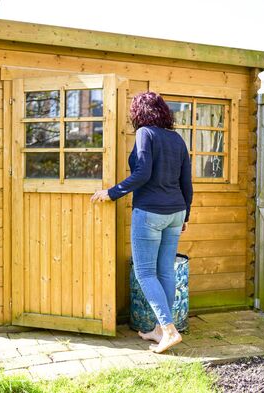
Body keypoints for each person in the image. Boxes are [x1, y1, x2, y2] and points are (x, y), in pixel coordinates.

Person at [90, 91, 193, 353]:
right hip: (175, 212)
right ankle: (160, 330)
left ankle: (169, 331)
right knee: (165, 272)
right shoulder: (177, 139)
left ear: (139, 113)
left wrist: (111, 192)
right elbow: (186, 184)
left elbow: (142, 172)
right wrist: (186, 215)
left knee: (146, 273)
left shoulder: (145, 133)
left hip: (150, 213)